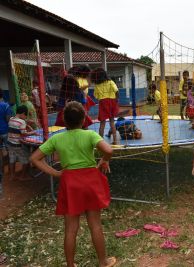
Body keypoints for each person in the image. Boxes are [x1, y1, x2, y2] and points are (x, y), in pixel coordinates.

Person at [30, 101, 117, 267]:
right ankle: (103, 262)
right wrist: (104, 161)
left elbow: (34, 158)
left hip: (70, 183)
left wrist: (56, 173)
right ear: (84, 119)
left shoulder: (57, 138)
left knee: (70, 229)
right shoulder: (90, 135)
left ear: (64, 120)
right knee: (95, 226)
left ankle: (70, 265)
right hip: (91, 182)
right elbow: (109, 150)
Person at [8, 105, 36, 181]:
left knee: (12, 159)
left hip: (10, 143)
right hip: (18, 144)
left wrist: (26, 124)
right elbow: (24, 133)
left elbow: (16, 126)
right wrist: (33, 133)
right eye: (25, 115)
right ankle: (22, 176)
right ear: (23, 113)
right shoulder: (22, 121)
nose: (25, 117)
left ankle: (12, 176)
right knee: (27, 159)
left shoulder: (11, 119)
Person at [91, 68, 119, 144]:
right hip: (112, 101)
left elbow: (95, 96)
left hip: (103, 102)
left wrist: (101, 96)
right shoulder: (110, 82)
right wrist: (116, 100)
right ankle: (115, 141)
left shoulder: (97, 85)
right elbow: (116, 90)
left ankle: (101, 142)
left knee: (102, 123)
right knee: (112, 122)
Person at [0, 88, 12, 196]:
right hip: (5, 131)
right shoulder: (5, 105)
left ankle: (3, 169)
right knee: (8, 150)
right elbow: (8, 119)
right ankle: (7, 170)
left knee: (2, 151)